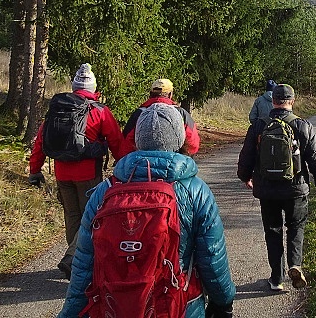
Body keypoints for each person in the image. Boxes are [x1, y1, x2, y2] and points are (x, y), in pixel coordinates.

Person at [58, 103, 236, 318]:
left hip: (115, 307)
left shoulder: (105, 190)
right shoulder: (195, 191)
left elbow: (85, 262)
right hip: (180, 306)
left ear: (138, 140)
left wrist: (69, 313)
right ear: (180, 139)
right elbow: (211, 256)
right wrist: (223, 301)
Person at [28, 63, 125, 279]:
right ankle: (74, 259)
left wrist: (35, 170)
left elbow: (40, 143)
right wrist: (125, 167)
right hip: (88, 174)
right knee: (90, 217)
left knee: (72, 215)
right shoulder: (99, 111)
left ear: (74, 87)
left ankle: (76, 262)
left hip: (62, 174)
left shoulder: (58, 109)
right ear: (93, 89)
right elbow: (117, 142)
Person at [237, 83, 316, 291]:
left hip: (267, 190)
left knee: (273, 231)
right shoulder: (302, 126)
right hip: (296, 189)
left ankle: (276, 278)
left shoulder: (259, 126)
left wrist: (245, 176)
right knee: (296, 227)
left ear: (273, 101)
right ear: (292, 101)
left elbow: (246, 156)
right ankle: (295, 265)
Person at [121, 78, 201, 156]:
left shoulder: (139, 113)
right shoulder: (181, 113)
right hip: (174, 162)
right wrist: (182, 157)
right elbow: (192, 143)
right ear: (170, 94)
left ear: (150, 94)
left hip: (144, 162)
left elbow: (126, 143)